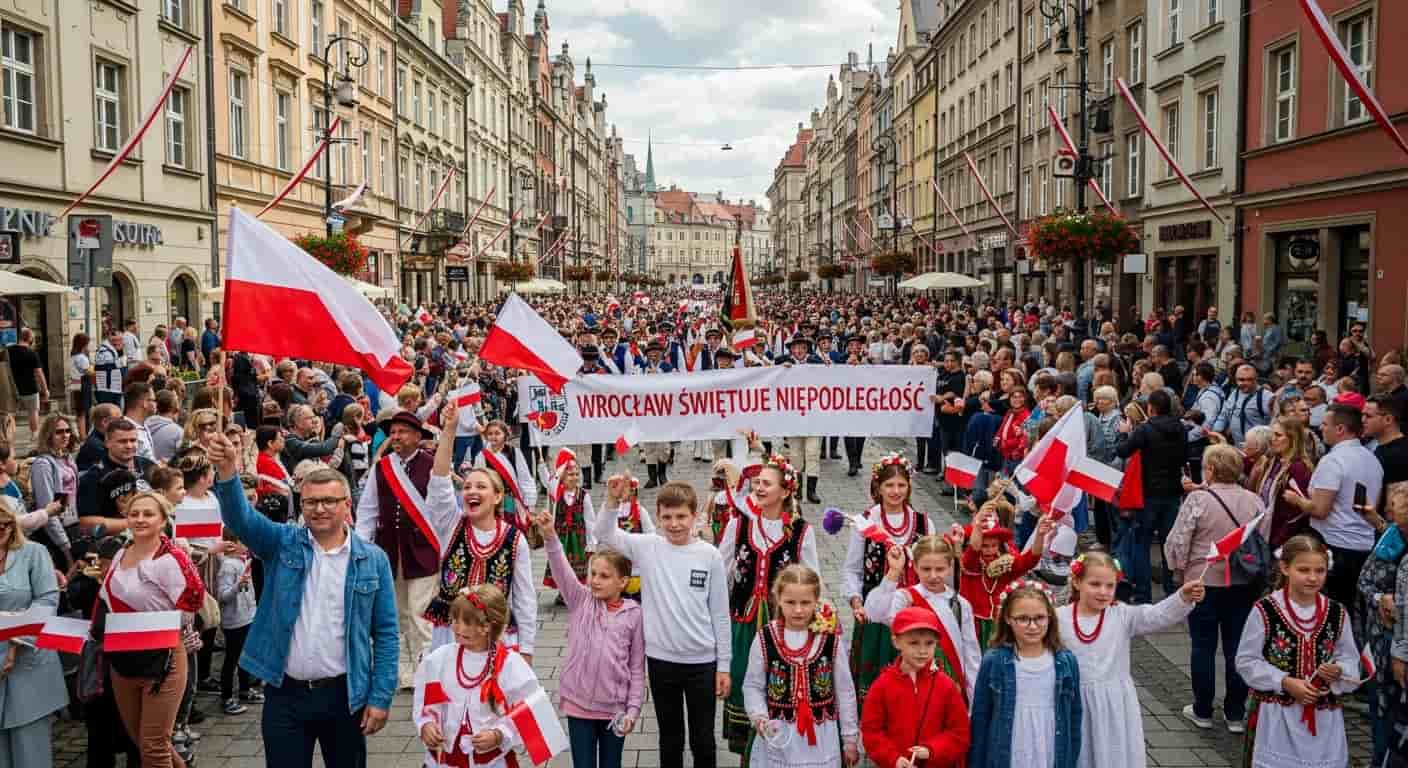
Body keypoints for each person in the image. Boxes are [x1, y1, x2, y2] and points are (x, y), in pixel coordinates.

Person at [209, 432, 398, 768]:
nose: (320, 509)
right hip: (285, 694)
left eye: (329, 501)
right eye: (311, 502)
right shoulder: (283, 544)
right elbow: (242, 520)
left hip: (345, 696)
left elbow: (385, 634)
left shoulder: (373, 559)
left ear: (346, 505)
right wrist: (227, 472)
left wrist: (381, 696)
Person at [593, 479, 730, 768]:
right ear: (657, 516)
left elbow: (720, 613)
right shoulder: (648, 547)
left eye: (681, 516)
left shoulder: (710, 556)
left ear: (695, 516)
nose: (674, 524)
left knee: (703, 738)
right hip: (661, 661)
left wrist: (724, 665)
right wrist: (612, 501)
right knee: (670, 738)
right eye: (667, 517)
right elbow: (603, 533)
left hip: (702, 663)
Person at [1058, 551, 1204, 768]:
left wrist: (1182, 597)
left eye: (1110, 585)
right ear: (1077, 582)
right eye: (1095, 584)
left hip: (1114, 701)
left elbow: (1156, 616)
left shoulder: (1122, 615)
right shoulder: (1059, 617)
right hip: (1075, 701)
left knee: (1113, 753)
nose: (1103, 592)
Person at [717, 450, 819, 754]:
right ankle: (747, 755)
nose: (758, 488)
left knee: (779, 688)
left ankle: (781, 750)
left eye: (766, 483)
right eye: (757, 482)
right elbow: (720, 572)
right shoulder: (739, 526)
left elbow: (813, 582)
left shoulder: (801, 532)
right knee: (744, 685)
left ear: (785, 491)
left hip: (784, 628)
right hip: (744, 625)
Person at [353, 408, 461, 689]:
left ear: (416, 437)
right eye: (393, 432)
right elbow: (367, 510)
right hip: (389, 551)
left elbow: (444, 509)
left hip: (422, 550)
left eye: (402, 432)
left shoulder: (432, 465)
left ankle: (426, 670)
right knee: (397, 614)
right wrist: (361, 549)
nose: (395, 437)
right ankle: (402, 672)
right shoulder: (382, 467)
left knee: (420, 612)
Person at [1236, 535, 1361, 768]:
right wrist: (1284, 681)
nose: (1313, 578)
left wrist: (1340, 671)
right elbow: (1246, 660)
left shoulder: (1336, 612)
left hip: (1324, 718)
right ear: (1285, 567)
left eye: (1320, 570)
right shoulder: (1266, 610)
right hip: (1276, 716)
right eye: (1304, 570)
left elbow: (1349, 657)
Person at [99, 491, 204, 768]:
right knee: (145, 741)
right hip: (123, 657)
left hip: (163, 659)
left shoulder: (170, 559)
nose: (140, 519)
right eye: (134, 514)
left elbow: (192, 603)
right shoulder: (121, 553)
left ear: (162, 520)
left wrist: (155, 624)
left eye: (148, 514)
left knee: (154, 746)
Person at [534, 508, 643, 768]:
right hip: (578, 706)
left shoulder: (635, 615)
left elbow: (637, 668)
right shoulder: (580, 600)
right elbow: (561, 567)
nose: (595, 581)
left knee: (611, 764)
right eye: (593, 574)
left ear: (623, 582)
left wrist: (633, 709)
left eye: (605, 576)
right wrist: (550, 535)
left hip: (615, 710)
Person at [411, 584, 550, 768]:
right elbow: (425, 701)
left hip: (491, 762)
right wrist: (426, 725)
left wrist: (499, 734)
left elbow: (533, 711)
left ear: (486, 627)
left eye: (465, 622)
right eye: (454, 620)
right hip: (444, 760)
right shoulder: (439, 659)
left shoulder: (510, 665)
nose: (456, 627)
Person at [743, 564, 860, 767]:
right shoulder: (766, 637)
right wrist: (760, 718)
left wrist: (850, 738)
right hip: (778, 733)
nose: (798, 610)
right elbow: (753, 685)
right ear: (778, 599)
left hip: (821, 734)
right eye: (790, 602)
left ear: (816, 601)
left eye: (805, 602)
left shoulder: (829, 638)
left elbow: (845, 690)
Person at [841, 454, 933, 704]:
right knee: (876, 686)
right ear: (878, 487)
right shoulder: (865, 522)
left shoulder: (924, 523)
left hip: (914, 616)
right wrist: (856, 602)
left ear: (909, 487)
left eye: (901, 485)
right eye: (889, 485)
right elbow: (852, 569)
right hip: (876, 616)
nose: (895, 491)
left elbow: (934, 568)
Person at [967, 580, 1083, 768]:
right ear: (1007, 618)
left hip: (1051, 746)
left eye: (1039, 618)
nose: (1032, 626)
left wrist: (1071, 758)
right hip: (1010, 749)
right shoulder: (993, 661)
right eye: (1022, 618)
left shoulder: (1066, 662)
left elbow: (1074, 715)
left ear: (1050, 617)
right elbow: (980, 717)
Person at [425, 462, 536, 657]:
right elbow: (439, 484)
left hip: (495, 638)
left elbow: (524, 599)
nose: (471, 491)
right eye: (466, 487)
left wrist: (526, 649)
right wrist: (449, 431)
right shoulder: (451, 525)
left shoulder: (515, 540)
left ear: (497, 496)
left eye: (481, 486)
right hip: (452, 637)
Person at [1283, 403, 1382, 613]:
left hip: (1335, 544)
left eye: (1326, 424)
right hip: (1363, 544)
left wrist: (1296, 500)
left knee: (1329, 611)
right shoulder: (1373, 459)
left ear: (1340, 429)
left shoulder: (1333, 460)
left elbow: (1320, 510)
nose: (1321, 428)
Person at [863, 535, 981, 703]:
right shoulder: (905, 598)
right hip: (914, 685)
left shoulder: (960, 605)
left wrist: (973, 698)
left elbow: (971, 654)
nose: (933, 576)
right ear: (915, 567)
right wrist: (894, 572)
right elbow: (874, 614)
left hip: (951, 686)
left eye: (939, 569)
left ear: (949, 567)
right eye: (926, 569)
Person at [859, 605, 971, 768]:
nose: (922, 651)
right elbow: (871, 732)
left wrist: (932, 750)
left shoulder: (945, 685)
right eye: (914, 643)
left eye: (929, 643)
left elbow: (960, 733)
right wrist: (893, 758)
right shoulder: (882, 686)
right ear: (896, 642)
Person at [0, 494, 65, 768]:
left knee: (30, 751)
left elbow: (47, 601)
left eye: (5, 524)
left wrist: (16, 642)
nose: (1, 531)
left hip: (28, 658)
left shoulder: (34, 552)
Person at [1114, 389, 1186, 603]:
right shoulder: (1180, 428)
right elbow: (1183, 456)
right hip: (1172, 493)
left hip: (1147, 495)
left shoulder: (1145, 430)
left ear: (1151, 408)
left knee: (1141, 543)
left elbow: (1123, 451)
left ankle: (1144, 592)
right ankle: (1169, 588)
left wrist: (1125, 433)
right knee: (1167, 543)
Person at [960, 493, 1048, 648]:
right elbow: (973, 550)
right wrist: (979, 522)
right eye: (984, 546)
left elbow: (1029, 561)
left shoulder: (1006, 563)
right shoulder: (971, 564)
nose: (989, 550)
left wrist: (1040, 535)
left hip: (999, 624)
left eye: (993, 545)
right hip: (973, 625)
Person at [1245, 417, 1316, 548]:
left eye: (1278, 435)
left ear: (1293, 439)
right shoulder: (1272, 461)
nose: (1272, 439)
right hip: (1263, 533)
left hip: (1280, 542)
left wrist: (1278, 541)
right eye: (1272, 434)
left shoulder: (1298, 468)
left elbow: (1298, 514)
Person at [76, 418, 155, 536]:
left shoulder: (149, 466)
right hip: (117, 542)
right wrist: (137, 523)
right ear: (107, 443)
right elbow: (86, 524)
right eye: (122, 441)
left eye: (133, 440)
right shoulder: (94, 477)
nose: (129, 446)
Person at [214, 532, 259, 716]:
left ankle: (244, 689)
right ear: (232, 544)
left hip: (247, 616)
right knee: (231, 658)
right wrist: (237, 587)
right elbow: (222, 596)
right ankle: (226, 697)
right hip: (234, 621)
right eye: (243, 540)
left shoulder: (243, 562)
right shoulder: (228, 566)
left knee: (245, 656)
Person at [538, 448, 593, 593]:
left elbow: (590, 520)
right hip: (561, 538)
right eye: (570, 475)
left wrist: (592, 542)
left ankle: (577, 590)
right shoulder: (556, 493)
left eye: (576, 474)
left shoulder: (584, 496)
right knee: (562, 565)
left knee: (578, 567)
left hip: (578, 539)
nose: (574, 478)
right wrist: (542, 465)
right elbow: (547, 481)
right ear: (562, 476)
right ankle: (564, 592)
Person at [5, 328, 46, 437]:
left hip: (12, 389)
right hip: (30, 389)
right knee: (33, 412)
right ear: (30, 338)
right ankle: (34, 435)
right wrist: (45, 390)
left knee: (10, 414)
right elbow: (39, 374)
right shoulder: (32, 353)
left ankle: (8, 437)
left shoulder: (8, 351)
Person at [92, 327, 125, 408]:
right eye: (118, 339)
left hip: (113, 388)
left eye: (121, 339)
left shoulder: (111, 349)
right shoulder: (104, 351)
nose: (121, 342)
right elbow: (113, 367)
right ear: (110, 336)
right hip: (107, 390)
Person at [69, 333, 94, 439]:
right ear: (83, 344)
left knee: (80, 410)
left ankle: (82, 434)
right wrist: (94, 367)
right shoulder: (81, 357)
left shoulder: (73, 356)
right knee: (83, 411)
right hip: (83, 384)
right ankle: (83, 435)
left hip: (76, 384)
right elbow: (89, 372)